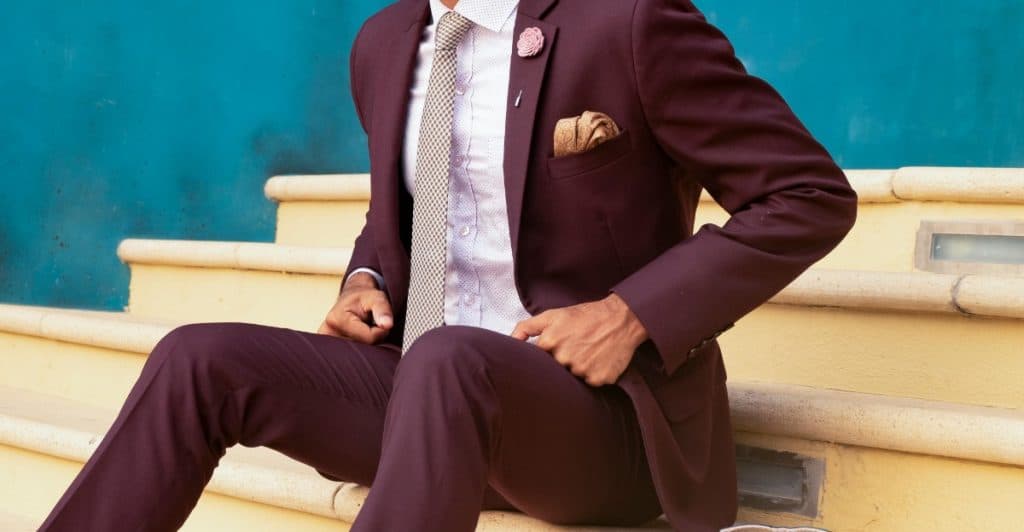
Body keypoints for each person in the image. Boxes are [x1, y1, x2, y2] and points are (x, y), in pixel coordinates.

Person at [39, 0, 857, 530]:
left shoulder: (630, 23)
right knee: (197, 357)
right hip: (428, 411)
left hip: (600, 427)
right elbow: (406, 207)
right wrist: (369, 281)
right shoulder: (388, 42)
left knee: (450, 358)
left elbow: (808, 194)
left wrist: (632, 312)